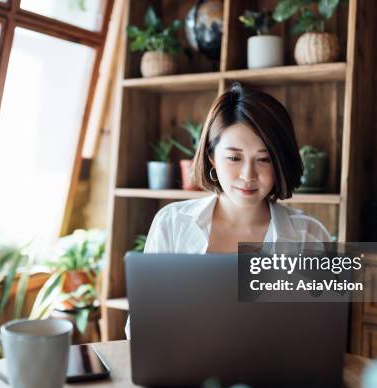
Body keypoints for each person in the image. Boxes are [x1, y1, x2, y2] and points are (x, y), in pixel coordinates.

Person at [125, 82, 331, 338]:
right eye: (234, 158)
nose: (248, 175)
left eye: (264, 159)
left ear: (280, 162)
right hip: (186, 372)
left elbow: (320, 335)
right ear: (212, 156)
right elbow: (141, 326)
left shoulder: (309, 235)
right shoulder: (173, 223)